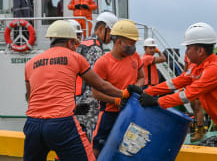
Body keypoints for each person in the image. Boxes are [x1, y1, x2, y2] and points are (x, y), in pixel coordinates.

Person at [139, 22, 217, 161]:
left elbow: (187, 94)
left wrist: (158, 101)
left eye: (188, 47)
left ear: (200, 51)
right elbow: (177, 82)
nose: (186, 52)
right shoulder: (199, 67)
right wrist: (147, 92)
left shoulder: (214, 69)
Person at [23, 20, 131, 161]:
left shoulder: (30, 63)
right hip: (62, 123)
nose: (75, 47)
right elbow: (101, 85)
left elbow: (30, 97)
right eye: (75, 43)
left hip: (33, 125)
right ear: (69, 42)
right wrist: (123, 93)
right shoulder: (75, 57)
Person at [92, 19, 145, 158]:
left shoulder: (135, 57)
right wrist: (115, 100)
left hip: (132, 111)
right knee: (98, 145)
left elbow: (141, 77)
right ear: (119, 41)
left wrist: (135, 88)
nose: (133, 47)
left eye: (134, 43)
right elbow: (96, 93)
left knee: (129, 147)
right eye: (131, 43)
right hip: (109, 113)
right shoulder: (103, 63)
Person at [74, 12, 118, 141]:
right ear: (101, 29)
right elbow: (97, 80)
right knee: (86, 141)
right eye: (110, 33)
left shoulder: (84, 44)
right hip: (88, 104)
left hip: (77, 99)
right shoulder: (95, 49)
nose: (112, 38)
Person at [184, 54, 205, 142]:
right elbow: (186, 68)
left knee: (198, 106)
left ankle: (200, 131)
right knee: (193, 107)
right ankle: (197, 128)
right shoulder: (187, 54)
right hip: (191, 83)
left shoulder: (202, 52)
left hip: (199, 83)